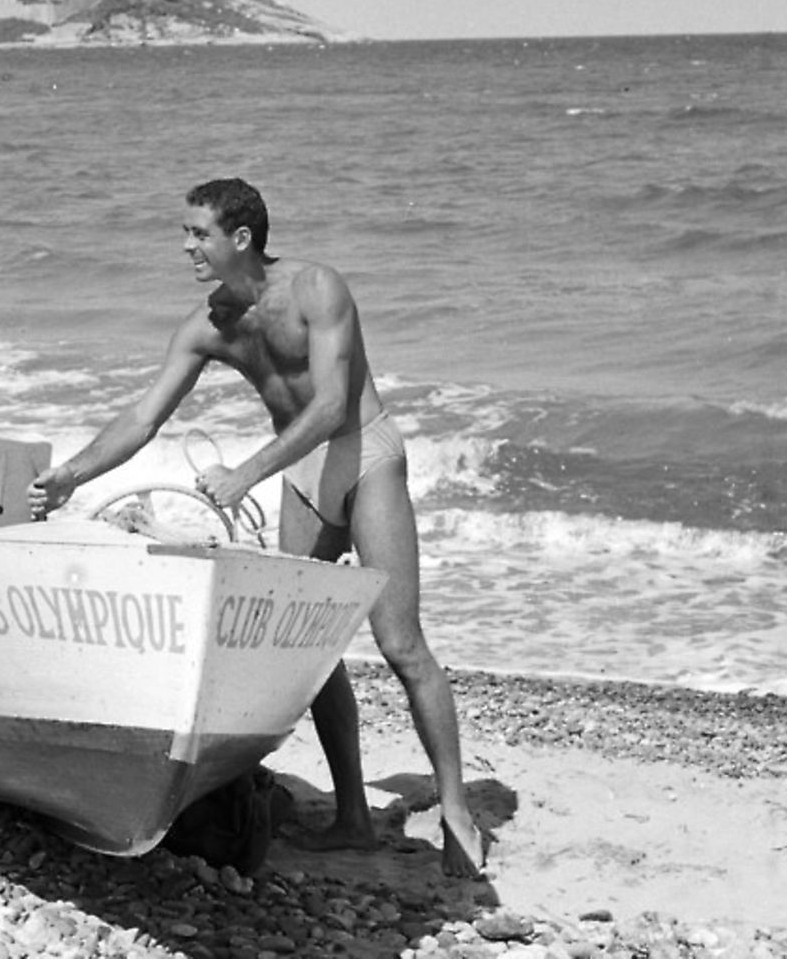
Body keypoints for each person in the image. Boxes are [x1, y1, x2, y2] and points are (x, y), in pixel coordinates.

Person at [27, 178, 485, 877]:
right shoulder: (208, 325)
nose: (187, 247)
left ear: (241, 238)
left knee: (400, 642)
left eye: (198, 234)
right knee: (314, 648)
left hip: (364, 453)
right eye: (185, 233)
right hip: (300, 470)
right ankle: (354, 818)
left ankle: (456, 811)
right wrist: (71, 476)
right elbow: (143, 418)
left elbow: (333, 406)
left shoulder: (317, 290)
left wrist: (244, 474)